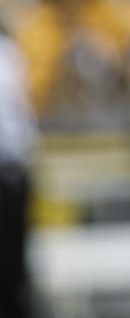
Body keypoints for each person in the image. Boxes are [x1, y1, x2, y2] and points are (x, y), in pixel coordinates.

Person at [0, 21, 35, 318]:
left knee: (11, 267)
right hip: (14, 169)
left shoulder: (7, 52)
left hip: (9, 171)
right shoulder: (9, 52)